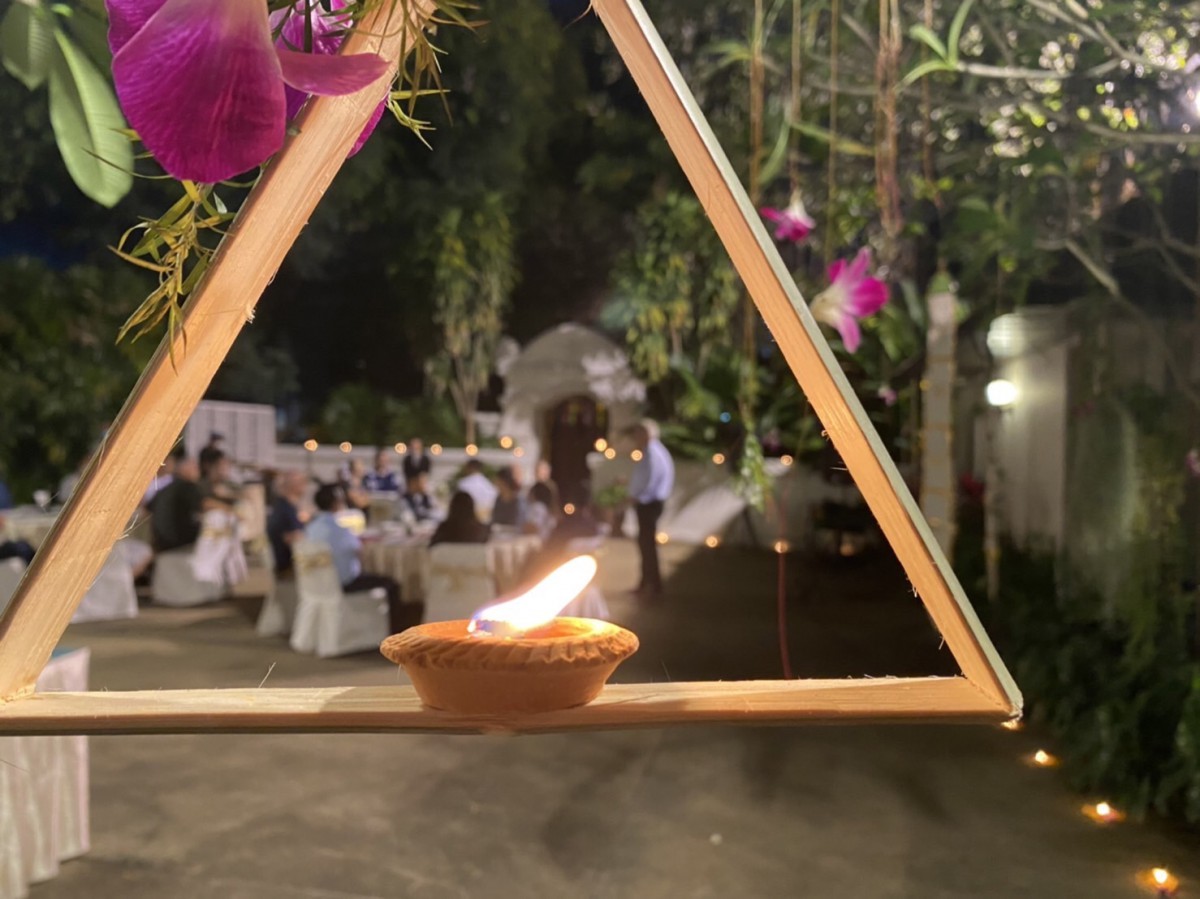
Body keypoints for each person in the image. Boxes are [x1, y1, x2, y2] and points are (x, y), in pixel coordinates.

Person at [306, 484, 406, 633]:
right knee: (392, 585)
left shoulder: (310, 528)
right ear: (337, 503)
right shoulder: (339, 529)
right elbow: (360, 551)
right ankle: (397, 634)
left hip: (317, 583)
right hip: (343, 583)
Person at [626, 419, 674, 598]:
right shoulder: (650, 452)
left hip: (649, 504)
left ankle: (652, 584)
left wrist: (634, 497)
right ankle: (647, 582)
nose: (635, 437)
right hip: (648, 503)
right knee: (645, 544)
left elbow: (650, 481)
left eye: (638, 433)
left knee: (647, 545)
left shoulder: (653, 453)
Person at [149, 456, 203, 551]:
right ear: (186, 470)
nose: (199, 472)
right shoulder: (187, 487)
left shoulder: (166, 488)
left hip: (161, 543)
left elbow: (149, 508)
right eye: (195, 468)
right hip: (180, 543)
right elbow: (204, 504)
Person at [267, 471, 307, 575]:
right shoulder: (284, 510)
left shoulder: (288, 507)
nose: (304, 486)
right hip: (289, 567)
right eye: (301, 482)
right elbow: (290, 537)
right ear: (292, 486)